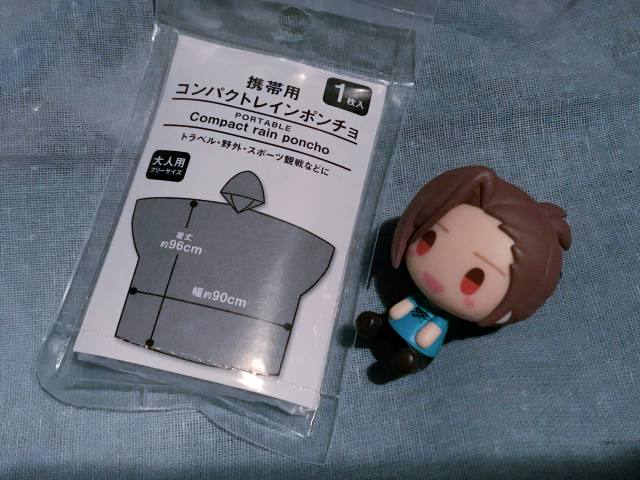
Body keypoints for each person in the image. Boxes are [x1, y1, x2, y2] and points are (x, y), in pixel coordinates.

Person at [357, 166, 572, 376]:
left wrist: (419, 337)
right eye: (429, 241)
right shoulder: (417, 298)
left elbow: (428, 336)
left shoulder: (442, 321)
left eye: (474, 279)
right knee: (387, 322)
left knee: (413, 352)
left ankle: (407, 361)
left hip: (418, 346)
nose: (440, 275)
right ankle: (378, 328)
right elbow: (398, 310)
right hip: (398, 323)